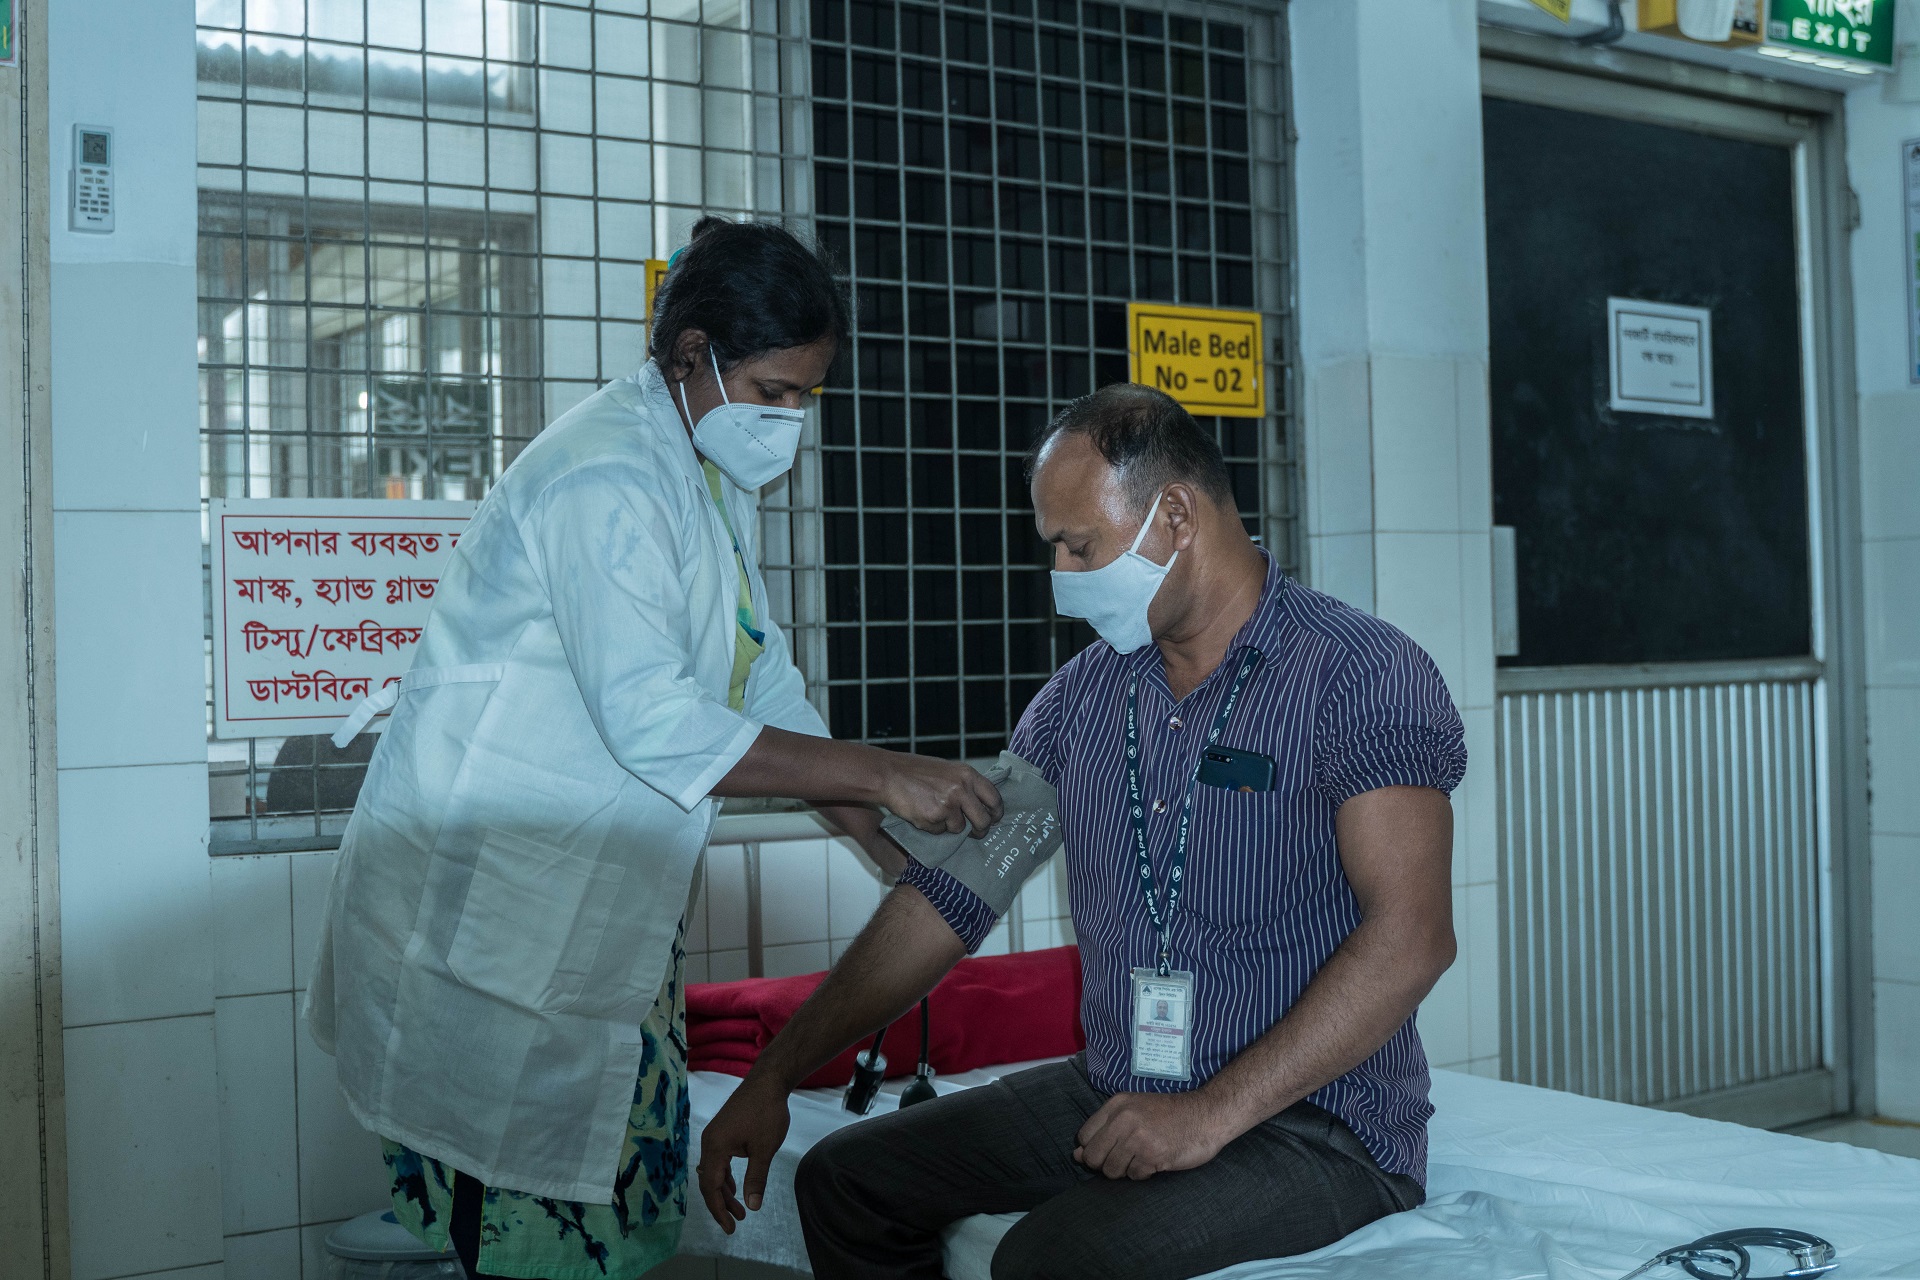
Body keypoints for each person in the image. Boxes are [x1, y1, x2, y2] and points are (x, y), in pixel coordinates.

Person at [302, 217, 1002, 1280]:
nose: (789, 420)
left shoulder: (697, 475)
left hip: (585, 909)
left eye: (806, 397)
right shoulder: (605, 477)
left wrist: (879, 841)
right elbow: (657, 723)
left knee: (605, 1216)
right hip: (493, 915)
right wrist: (884, 774)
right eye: (773, 391)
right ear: (691, 355)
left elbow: (760, 680)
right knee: (523, 1223)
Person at [697, 383, 1469, 1280]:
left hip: (1316, 1124)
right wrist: (776, 1073)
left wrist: (1207, 1115)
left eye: (1080, 546)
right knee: (847, 1182)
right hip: (1122, 1084)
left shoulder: (1360, 674)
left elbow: (1412, 940)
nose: (1061, 577)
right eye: (1053, 548)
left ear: (1176, 516)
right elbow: (948, 897)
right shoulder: (1082, 699)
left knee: (1051, 1261)